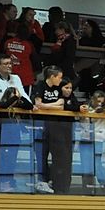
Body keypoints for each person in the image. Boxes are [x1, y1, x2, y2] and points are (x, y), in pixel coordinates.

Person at [31, 66, 68, 194]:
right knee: (42, 155)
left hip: (57, 126)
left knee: (58, 155)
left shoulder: (59, 87)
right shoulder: (40, 85)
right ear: (52, 77)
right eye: (59, 77)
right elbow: (38, 104)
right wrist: (54, 105)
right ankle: (42, 181)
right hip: (42, 125)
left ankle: (54, 181)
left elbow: (62, 105)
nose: (60, 80)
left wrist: (46, 106)